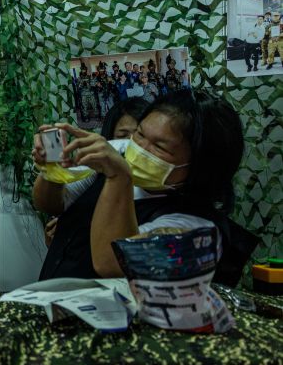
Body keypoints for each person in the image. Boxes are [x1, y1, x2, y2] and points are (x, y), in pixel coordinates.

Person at [32, 90, 244, 282]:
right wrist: (52, 168)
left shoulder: (197, 228)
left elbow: (111, 263)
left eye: (159, 147)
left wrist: (118, 178)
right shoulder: (121, 150)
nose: (139, 149)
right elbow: (52, 204)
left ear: (201, 165)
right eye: (140, 134)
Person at [45, 98, 149, 247]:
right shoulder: (95, 170)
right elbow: (55, 202)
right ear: (109, 139)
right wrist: (51, 162)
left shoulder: (155, 185)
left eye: (139, 135)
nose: (129, 144)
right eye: (122, 137)